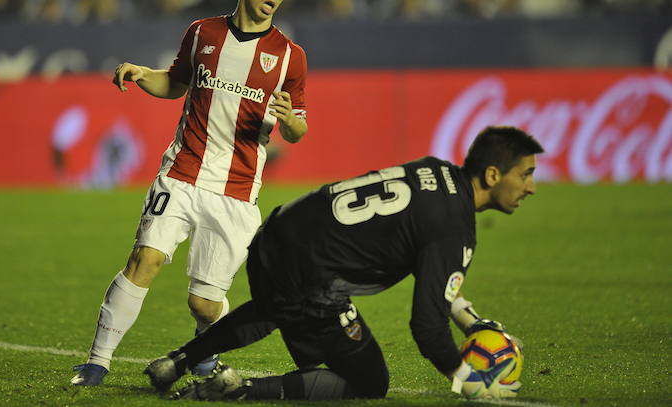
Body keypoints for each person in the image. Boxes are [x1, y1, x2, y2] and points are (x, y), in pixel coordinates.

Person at [144, 125, 543, 401]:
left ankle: (176, 362)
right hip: (312, 274)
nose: (531, 186)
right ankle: (236, 389)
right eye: (525, 175)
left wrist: (471, 322)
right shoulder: (453, 229)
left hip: (275, 236)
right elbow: (427, 327)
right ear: (493, 174)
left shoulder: (435, 170)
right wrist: (467, 380)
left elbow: (430, 267)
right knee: (369, 381)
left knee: (279, 308)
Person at [71, 0, 308, 386]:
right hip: (181, 171)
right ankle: (96, 363)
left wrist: (292, 121)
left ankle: (204, 355)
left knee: (203, 303)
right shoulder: (202, 32)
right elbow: (177, 83)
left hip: (235, 191)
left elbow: (297, 129)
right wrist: (144, 74)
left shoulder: (291, 57)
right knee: (144, 259)